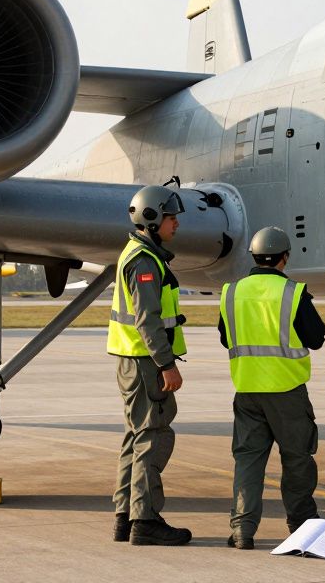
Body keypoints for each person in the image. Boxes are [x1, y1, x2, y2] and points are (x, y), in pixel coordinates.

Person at [218, 226, 325, 550]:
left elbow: (226, 337)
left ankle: (242, 529)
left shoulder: (232, 292)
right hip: (286, 390)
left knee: (248, 461)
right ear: (285, 257)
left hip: (247, 390)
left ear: (253, 256)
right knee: (297, 460)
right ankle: (302, 525)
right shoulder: (293, 293)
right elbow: (316, 338)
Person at [108, 184, 192, 546]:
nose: (176, 223)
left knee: (137, 437)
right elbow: (148, 320)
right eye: (171, 217)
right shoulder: (144, 261)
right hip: (145, 362)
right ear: (153, 219)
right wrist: (166, 364)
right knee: (153, 437)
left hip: (134, 360)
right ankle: (145, 520)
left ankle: (125, 517)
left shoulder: (140, 254)